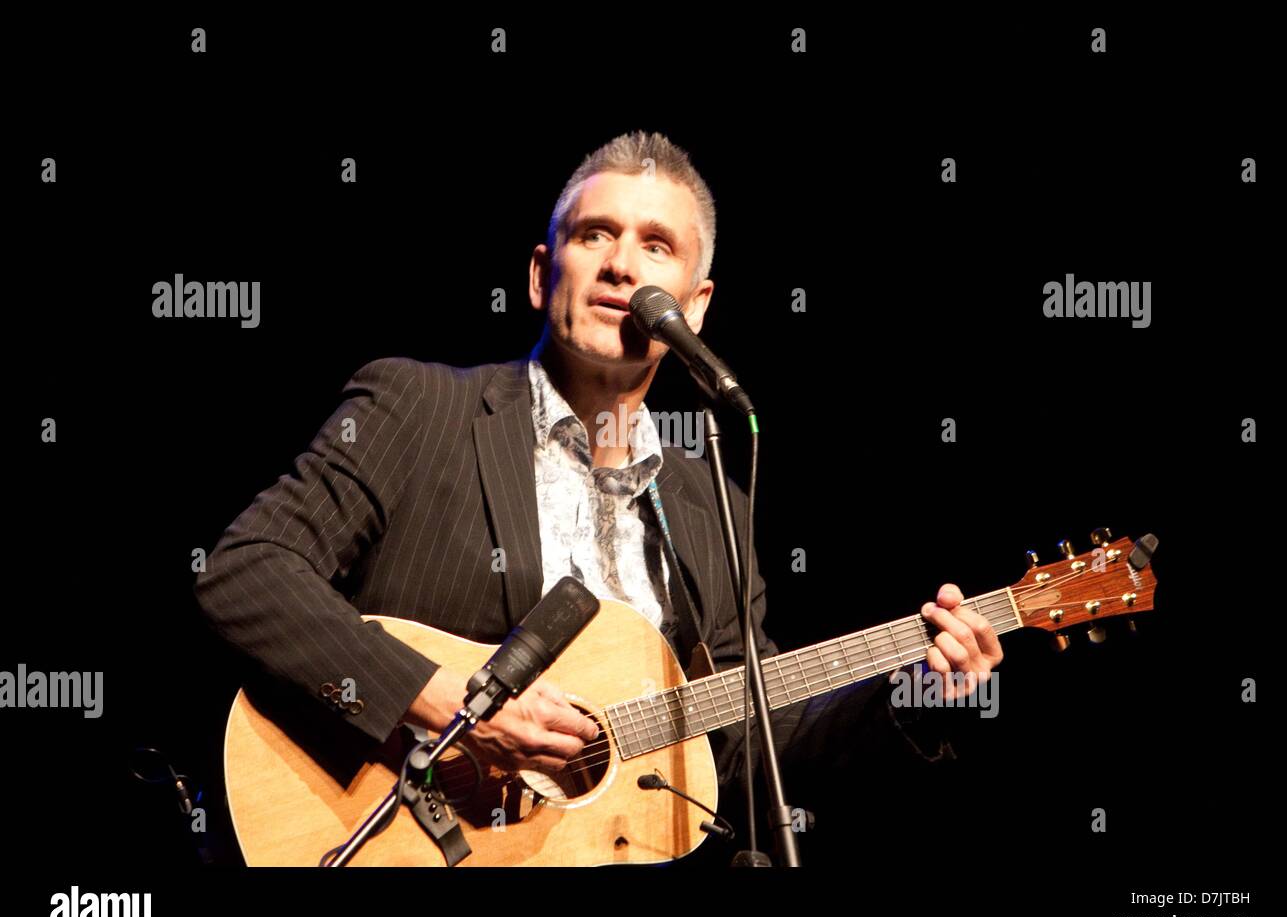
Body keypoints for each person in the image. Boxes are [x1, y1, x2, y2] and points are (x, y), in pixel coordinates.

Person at [194, 131, 1003, 860]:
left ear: (697, 304)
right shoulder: (418, 406)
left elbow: (747, 751)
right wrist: (452, 705)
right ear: (544, 274)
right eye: (595, 236)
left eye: (658, 246)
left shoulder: (707, 505)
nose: (622, 265)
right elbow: (245, 571)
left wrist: (918, 694)